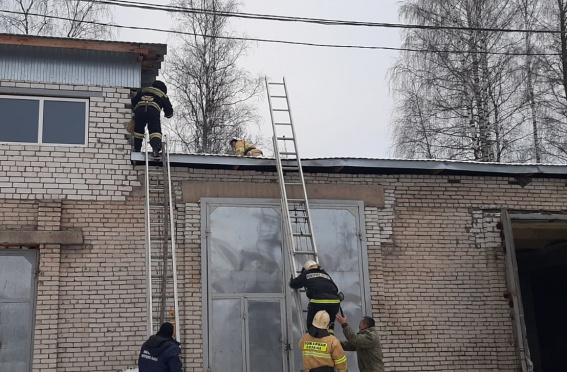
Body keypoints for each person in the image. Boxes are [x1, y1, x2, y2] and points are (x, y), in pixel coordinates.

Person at [289, 260, 342, 333]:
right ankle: (329, 340)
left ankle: (312, 338)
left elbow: (294, 284)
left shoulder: (306, 273)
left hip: (319, 301)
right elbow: (335, 288)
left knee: (312, 324)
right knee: (329, 325)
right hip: (334, 302)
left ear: (306, 268)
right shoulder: (324, 273)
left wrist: (291, 280)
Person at [132, 80, 174, 157]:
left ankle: (137, 150)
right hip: (153, 110)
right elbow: (169, 112)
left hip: (139, 110)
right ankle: (155, 149)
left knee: (138, 131)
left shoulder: (143, 90)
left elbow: (133, 102)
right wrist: (167, 114)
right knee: (155, 130)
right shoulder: (162, 94)